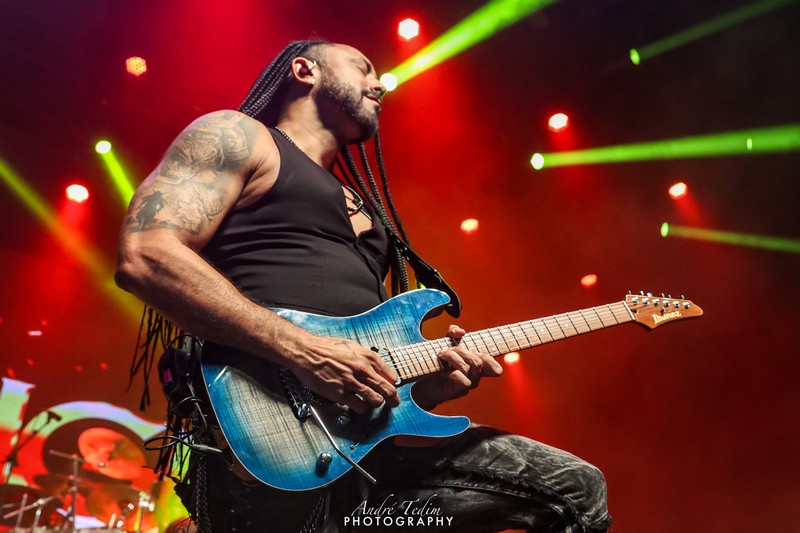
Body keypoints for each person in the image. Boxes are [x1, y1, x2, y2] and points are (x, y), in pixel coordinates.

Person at [115, 39, 610, 533]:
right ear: (304, 71)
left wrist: (422, 391)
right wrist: (306, 352)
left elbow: (359, 364)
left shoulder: (365, 207)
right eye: (363, 68)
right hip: (261, 434)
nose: (380, 84)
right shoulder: (239, 136)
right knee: (573, 489)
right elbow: (147, 254)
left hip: (358, 457)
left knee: (574, 489)